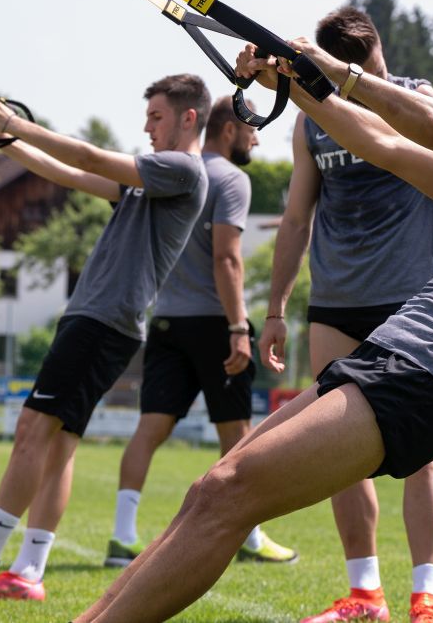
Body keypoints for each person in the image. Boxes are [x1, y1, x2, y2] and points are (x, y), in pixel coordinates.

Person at [74, 41, 433, 623]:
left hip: (432, 377)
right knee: (209, 490)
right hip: (398, 353)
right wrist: (298, 84)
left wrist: (336, 71)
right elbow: (384, 146)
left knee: (230, 490)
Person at [0, 74, 211, 601]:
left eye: (157, 117)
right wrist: (11, 142)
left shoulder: (183, 169)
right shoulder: (156, 180)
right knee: (58, 445)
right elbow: (72, 174)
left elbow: (91, 157)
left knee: (34, 426)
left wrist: (15, 124)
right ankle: (27, 573)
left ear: (189, 117)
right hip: (104, 320)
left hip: (102, 320)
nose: (147, 127)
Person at [259, 7, 433, 623]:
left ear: (379, 53)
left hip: (413, 300)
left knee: (421, 454)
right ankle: (364, 594)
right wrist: (275, 309)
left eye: (370, 67)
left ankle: (426, 597)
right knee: (339, 453)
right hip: (335, 304)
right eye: (351, 70)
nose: (364, 79)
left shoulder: (416, 98)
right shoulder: (311, 121)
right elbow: (296, 219)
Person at [106, 94, 297, 569]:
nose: (257, 136)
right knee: (238, 435)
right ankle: (250, 539)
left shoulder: (173, 171)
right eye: (252, 126)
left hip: (167, 319)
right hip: (215, 321)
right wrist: (238, 327)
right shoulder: (231, 178)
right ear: (228, 129)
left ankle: (121, 536)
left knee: (149, 429)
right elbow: (227, 257)